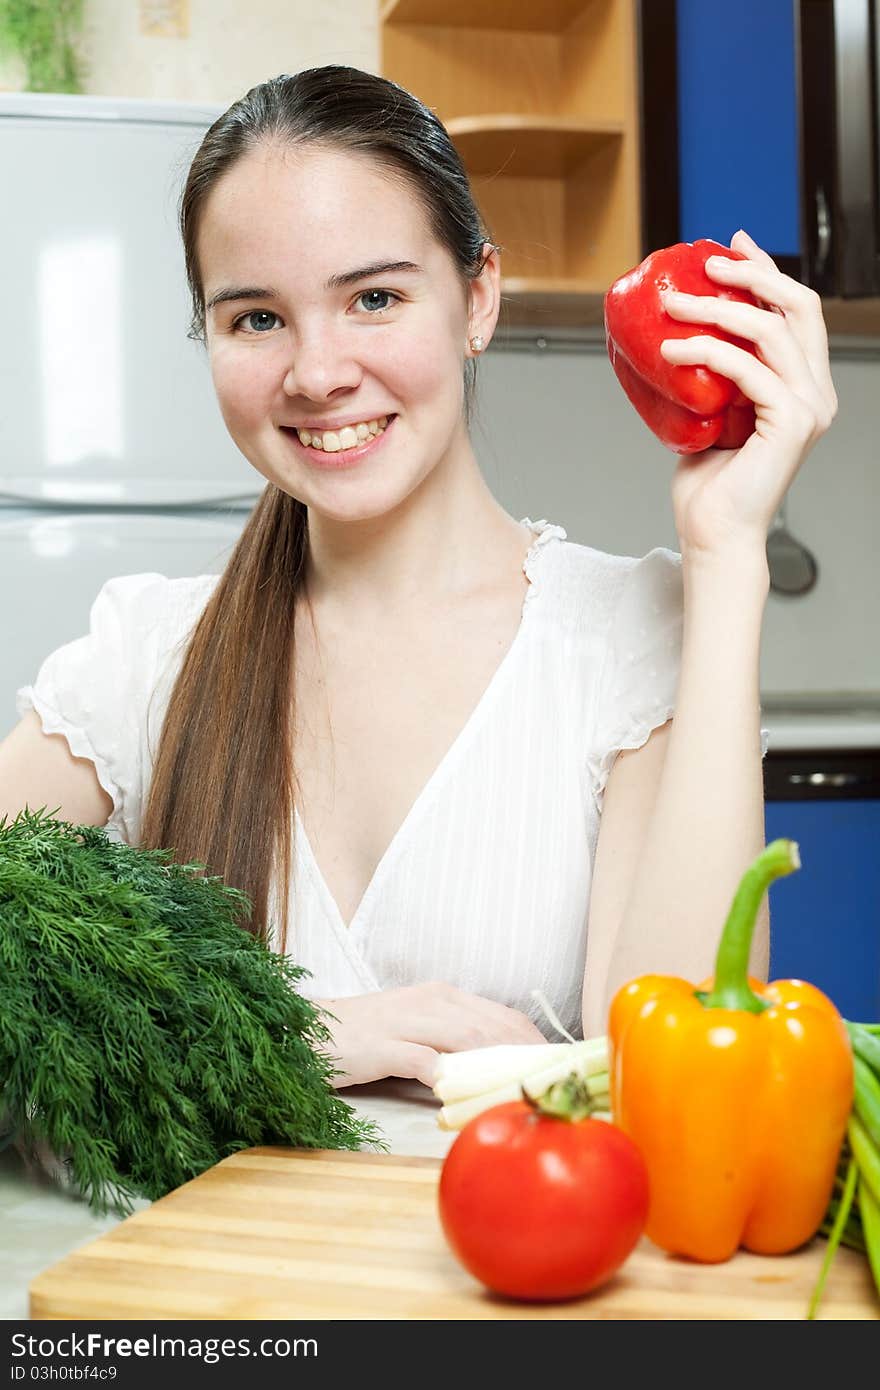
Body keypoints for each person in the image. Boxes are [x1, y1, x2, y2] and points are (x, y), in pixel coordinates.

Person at [0, 67, 837, 1091]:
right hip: (195, 1255)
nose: (316, 372)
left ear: (477, 298)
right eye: (255, 318)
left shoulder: (628, 636)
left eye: (375, 297)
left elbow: (685, 1082)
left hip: (512, 1252)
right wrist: (285, 1035)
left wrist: (727, 555)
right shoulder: (144, 656)